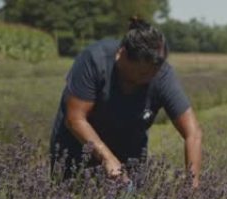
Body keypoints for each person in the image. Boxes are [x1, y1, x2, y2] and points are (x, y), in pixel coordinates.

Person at [50, 18, 202, 187]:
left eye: (153, 72)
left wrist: (192, 185)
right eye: (142, 73)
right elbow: (75, 119)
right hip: (78, 147)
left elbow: (192, 133)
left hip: (130, 150)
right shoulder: (95, 60)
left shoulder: (161, 74)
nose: (148, 78)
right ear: (121, 54)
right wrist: (107, 158)